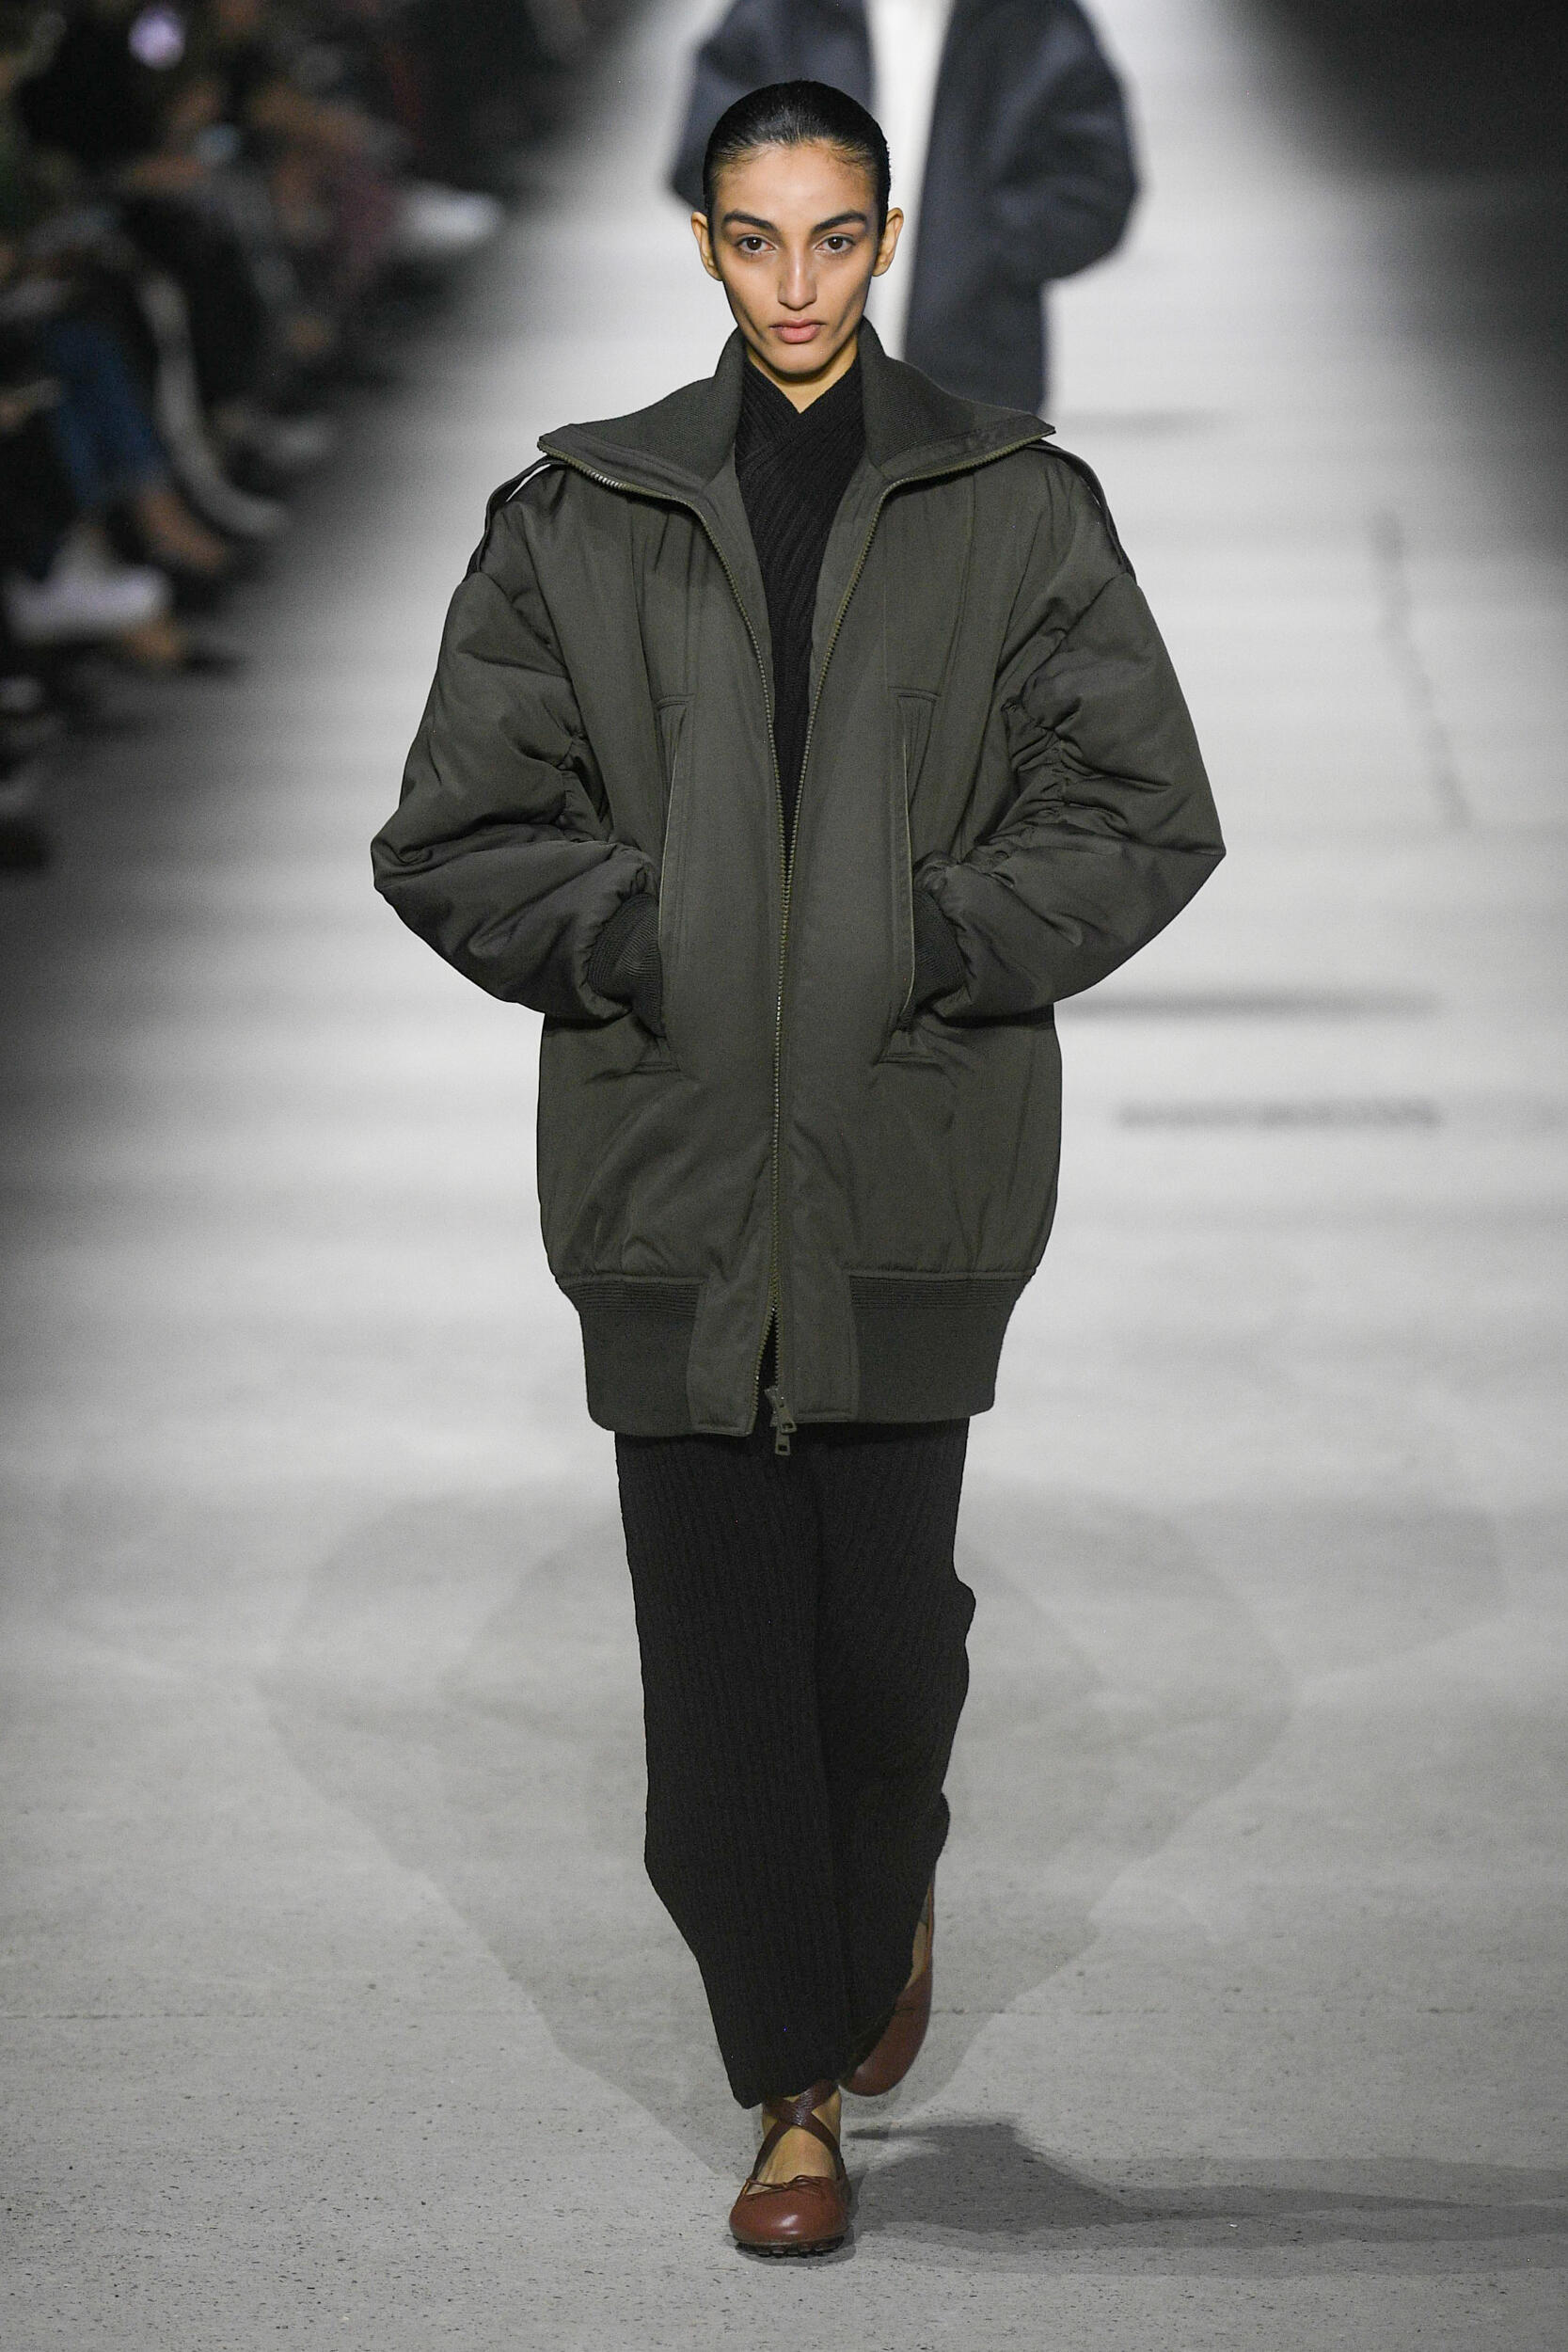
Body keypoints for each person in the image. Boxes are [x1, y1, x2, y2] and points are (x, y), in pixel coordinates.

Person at [372, 79, 1222, 2256]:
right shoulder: (579, 514)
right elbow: (453, 831)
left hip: (909, 1162)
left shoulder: (1012, 505)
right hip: (660, 1170)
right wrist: (649, 933)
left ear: (885, 235)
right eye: (754, 240)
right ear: (702, 240)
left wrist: (925, 937)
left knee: (879, 1665)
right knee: (719, 1694)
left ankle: (880, 1885)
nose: (795, 286)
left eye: (833, 238)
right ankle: (796, 2092)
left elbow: (1141, 811)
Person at [670, 0, 1136, 410]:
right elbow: (704, 154)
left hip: (976, 382)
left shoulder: (1034, 19)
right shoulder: (784, 13)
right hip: (794, 381)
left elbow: (1097, 185)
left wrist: (982, 249)